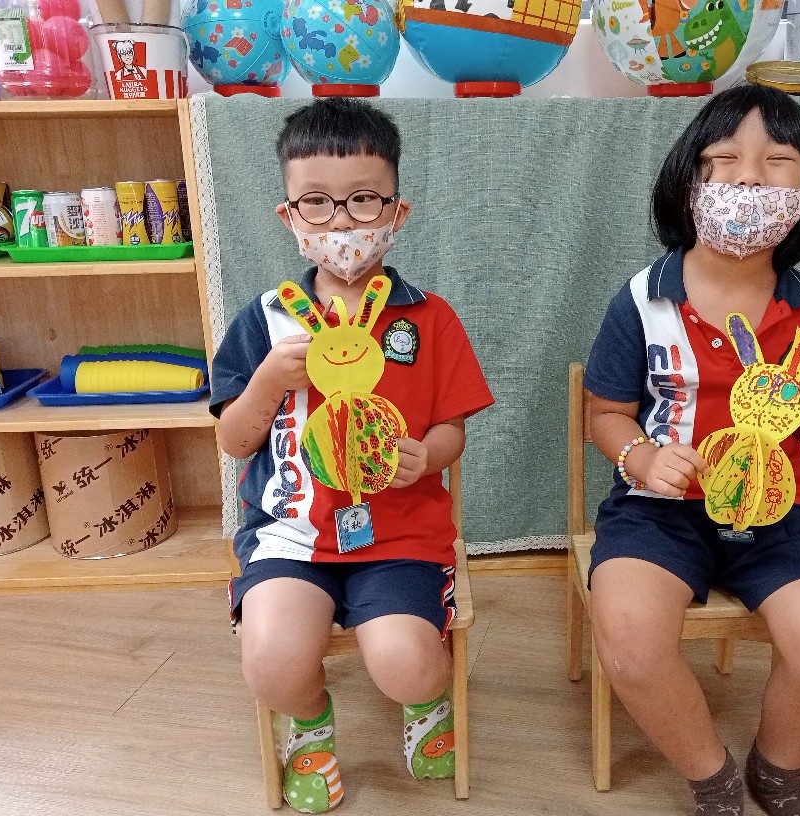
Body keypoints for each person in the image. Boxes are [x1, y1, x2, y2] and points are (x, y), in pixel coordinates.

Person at [582, 83, 800, 816]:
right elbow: (605, 414)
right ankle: (711, 777)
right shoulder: (642, 300)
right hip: (657, 512)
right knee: (631, 640)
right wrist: (642, 457)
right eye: (724, 158)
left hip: (778, 513)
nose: (748, 177)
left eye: (777, 161)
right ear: (689, 183)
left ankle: (778, 771)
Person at [210, 98, 493, 813]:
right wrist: (268, 381)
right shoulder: (265, 322)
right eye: (317, 202)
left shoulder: (428, 318)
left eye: (363, 200)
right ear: (289, 216)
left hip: (399, 539)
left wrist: (424, 457)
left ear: (397, 213)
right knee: (273, 662)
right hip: (290, 535)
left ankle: (426, 703)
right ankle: (309, 725)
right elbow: (234, 441)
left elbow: (453, 431)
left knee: (407, 664)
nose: (340, 222)